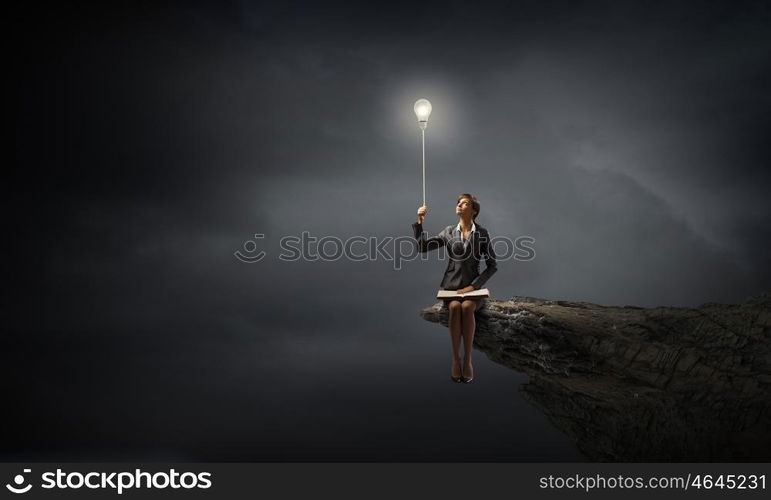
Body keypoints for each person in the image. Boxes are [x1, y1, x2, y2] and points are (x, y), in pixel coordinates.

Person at [412, 194, 497, 383]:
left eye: (465, 203)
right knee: (454, 307)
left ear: (474, 211)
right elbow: (422, 247)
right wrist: (420, 222)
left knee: (467, 307)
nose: (459, 204)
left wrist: (474, 286)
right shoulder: (449, 231)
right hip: (451, 287)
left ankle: (467, 360)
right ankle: (455, 359)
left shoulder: (482, 233)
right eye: (458, 202)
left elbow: (493, 265)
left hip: (473, 289)